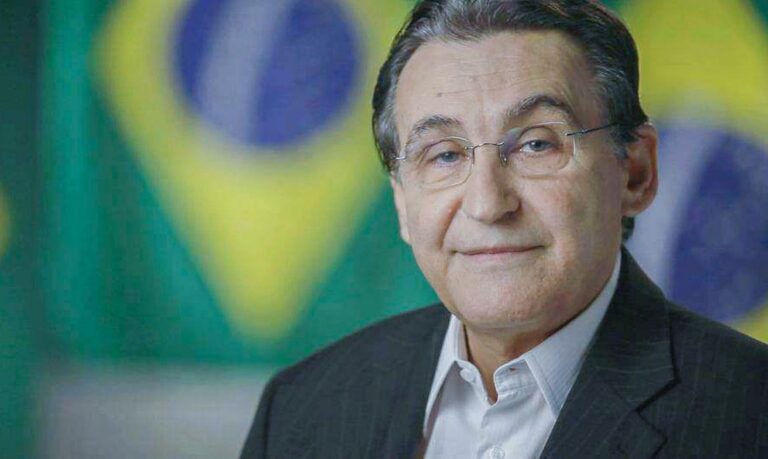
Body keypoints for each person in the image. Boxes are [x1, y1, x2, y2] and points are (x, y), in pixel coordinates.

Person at [241, 1, 768, 457]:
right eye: (444, 155)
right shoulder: (301, 408)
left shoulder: (751, 415)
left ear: (635, 173)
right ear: (402, 201)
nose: (487, 204)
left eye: (537, 144)